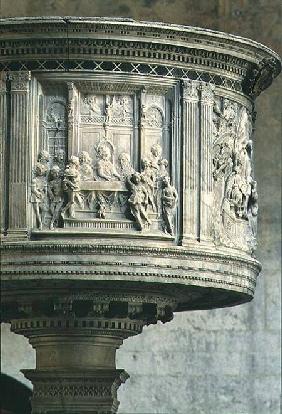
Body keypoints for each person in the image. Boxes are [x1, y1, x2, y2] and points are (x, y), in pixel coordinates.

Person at [48, 165, 63, 229]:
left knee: (56, 210)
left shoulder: (61, 181)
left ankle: (52, 222)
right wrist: (51, 194)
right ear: (52, 174)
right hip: (54, 198)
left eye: (57, 173)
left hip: (61, 198)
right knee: (51, 209)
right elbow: (48, 189)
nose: (56, 175)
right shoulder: (51, 182)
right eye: (54, 173)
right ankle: (56, 221)